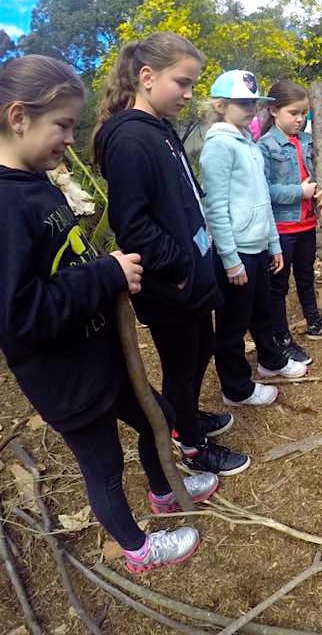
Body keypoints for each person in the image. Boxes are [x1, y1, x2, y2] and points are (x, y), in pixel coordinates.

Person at [1, 54, 215, 574]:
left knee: (156, 418)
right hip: (65, 377)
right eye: (63, 126)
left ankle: (164, 489)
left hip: (102, 354)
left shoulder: (36, 183)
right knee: (103, 465)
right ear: (18, 117)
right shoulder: (5, 206)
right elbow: (20, 314)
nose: (71, 140)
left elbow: (61, 262)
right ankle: (137, 549)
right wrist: (106, 276)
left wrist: (105, 271)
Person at [95, 32, 248, 477]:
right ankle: (192, 445)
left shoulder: (159, 129)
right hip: (171, 284)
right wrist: (180, 265)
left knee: (200, 352)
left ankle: (188, 417)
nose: (189, 93)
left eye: (193, 84)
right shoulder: (127, 139)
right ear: (147, 77)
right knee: (181, 365)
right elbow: (133, 224)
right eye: (182, 82)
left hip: (195, 274)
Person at [201, 70, 309, 409]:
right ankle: (236, 388)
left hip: (260, 246)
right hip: (238, 253)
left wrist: (274, 243)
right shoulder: (219, 147)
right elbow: (216, 207)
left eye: (253, 103)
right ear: (221, 106)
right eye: (242, 103)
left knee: (262, 311)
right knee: (232, 325)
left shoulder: (248, 144)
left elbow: (262, 199)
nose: (250, 109)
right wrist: (230, 259)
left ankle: (271, 360)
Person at [259, 79, 322, 367]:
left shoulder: (309, 141)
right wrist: (300, 192)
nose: (299, 119)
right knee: (278, 286)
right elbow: (265, 190)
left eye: (303, 114)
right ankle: (281, 337)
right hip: (281, 231)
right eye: (292, 113)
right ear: (273, 111)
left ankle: (313, 321)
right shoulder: (265, 146)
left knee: (306, 277)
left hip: (307, 226)